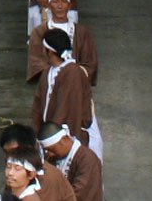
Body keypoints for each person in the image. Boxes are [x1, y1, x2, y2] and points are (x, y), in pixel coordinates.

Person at [33, 29, 99, 163]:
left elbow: (67, 110)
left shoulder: (72, 72)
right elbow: (38, 104)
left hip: (67, 138)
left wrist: (53, 138)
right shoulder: (47, 72)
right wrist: (36, 133)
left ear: (49, 51)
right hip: (50, 138)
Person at [38, 123, 101, 201]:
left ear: (64, 139)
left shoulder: (87, 159)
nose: (50, 154)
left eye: (52, 150)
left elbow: (80, 192)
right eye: (47, 150)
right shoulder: (51, 158)